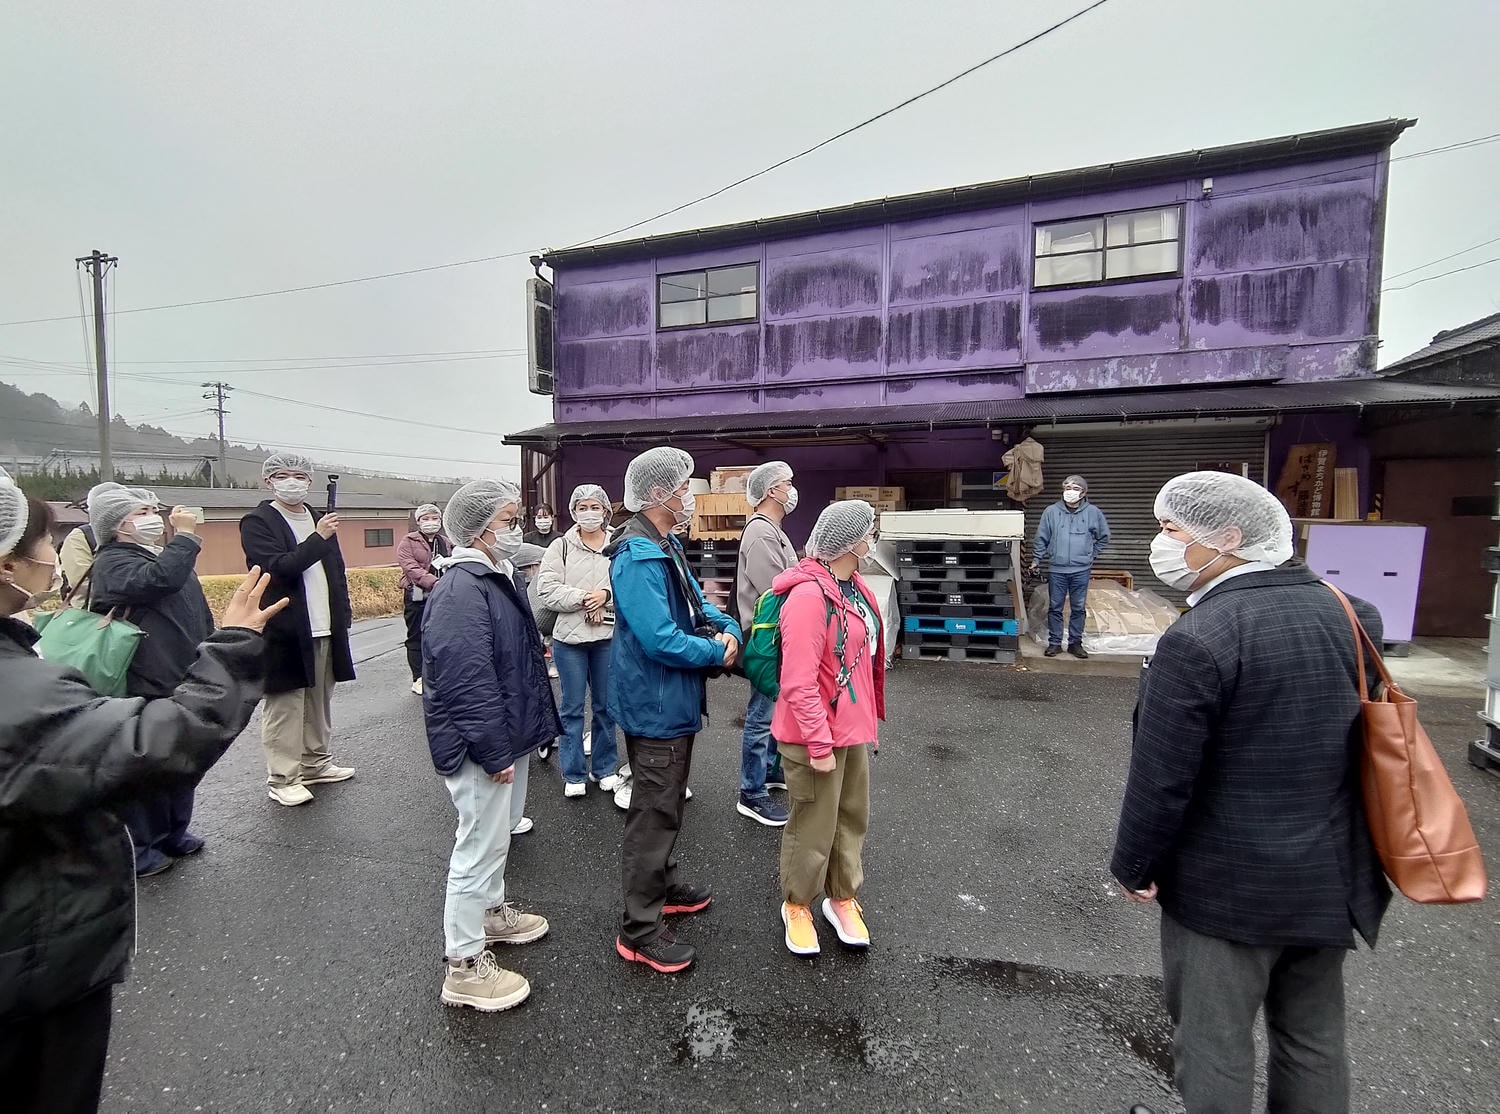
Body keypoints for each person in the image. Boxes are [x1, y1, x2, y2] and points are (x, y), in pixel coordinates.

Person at [0, 467, 287, 1114]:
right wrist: (235, 646)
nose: (53, 553)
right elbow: (163, 743)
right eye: (43, 541)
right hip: (33, 975)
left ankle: (167, 835)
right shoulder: (30, 686)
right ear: (6, 563)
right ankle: (149, 842)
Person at [1110, 471, 1390, 1114]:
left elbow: (1164, 775)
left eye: (1172, 530)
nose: (1161, 543)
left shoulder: (1201, 637)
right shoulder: (1353, 614)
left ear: (1228, 538)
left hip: (1227, 887)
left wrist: (1136, 865)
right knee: (1313, 1038)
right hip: (1333, 873)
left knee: (1213, 1042)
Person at [421, 480, 559, 1012]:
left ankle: (490, 913)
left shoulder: (493, 576)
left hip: (507, 733)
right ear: (479, 530)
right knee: (476, 846)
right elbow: (465, 678)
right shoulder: (461, 588)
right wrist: (494, 749)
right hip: (484, 742)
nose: (516, 528)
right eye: (507, 520)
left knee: (497, 836)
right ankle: (463, 964)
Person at [607, 447, 741, 973]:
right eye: (684, 488)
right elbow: (661, 637)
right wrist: (717, 651)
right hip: (655, 701)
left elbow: (694, 606)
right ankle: (639, 930)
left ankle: (663, 886)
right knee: (653, 813)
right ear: (659, 494)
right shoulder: (637, 555)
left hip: (670, 698)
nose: (690, 496)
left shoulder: (663, 545)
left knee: (668, 803)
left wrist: (725, 627)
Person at [769, 500, 886, 956]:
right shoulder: (807, 597)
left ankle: (842, 897)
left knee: (851, 819)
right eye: (868, 532)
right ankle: (797, 904)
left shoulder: (853, 588)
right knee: (813, 825)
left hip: (852, 730)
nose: (872, 539)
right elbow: (798, 683)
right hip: (813, 734)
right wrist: (819, 742)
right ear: (851, 542)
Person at [87, 486, 215, 877]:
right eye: (143, 511)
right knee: (147, 766)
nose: (154, 517)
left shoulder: (154, 556)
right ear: (118, 523)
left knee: (181, 761)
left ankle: (174, 832)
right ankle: (141, 846)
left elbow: (189, 600)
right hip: (147, 675)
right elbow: (160, 580)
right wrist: (187, 536)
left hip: (180, 669)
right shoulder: (113, 561)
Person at [239, 451, 357, 807]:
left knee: (320, 700)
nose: (293, 481)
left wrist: (343, 614)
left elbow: (335, 570)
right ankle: (283, 776)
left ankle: (315, 762)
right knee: (286, 703)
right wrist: (318, 538)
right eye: (283, 475)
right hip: (286, 627)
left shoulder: (317, 518)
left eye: (300, 476)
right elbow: (278, 567)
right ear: (268, 481)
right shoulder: (258, 521)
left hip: (324, 625)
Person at [536, 483, 623, 800]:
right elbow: (546, 589)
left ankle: (605, 768)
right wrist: (588, 599)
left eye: (595, 507)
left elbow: (627, 582)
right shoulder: (560, 546)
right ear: (573, 512)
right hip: (569, 640)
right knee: (571, 708)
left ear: (605, 510)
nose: (589, 513)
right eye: (582, 508)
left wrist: (606, 597)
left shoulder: (618, 543)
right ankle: (573, 773)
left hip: (606, 637)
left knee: (605, 707)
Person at [734, 460, 800, 827]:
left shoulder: (773, 530)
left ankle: (770, 772)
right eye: (788, 484)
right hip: (768, 638)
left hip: (779, 635)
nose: (792, 490)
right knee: (761, 716)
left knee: (775, 708)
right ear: (771, 490)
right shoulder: (760, 532)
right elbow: (775, 588)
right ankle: (751, 792)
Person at [1030, 474, 1109, 659]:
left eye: (1075, 489)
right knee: (1055, 607)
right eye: (1067, 488)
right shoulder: (1051, 511)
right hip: (1057, 569)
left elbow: (1104, 537)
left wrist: (1091, 553)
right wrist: (1036, 559)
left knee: (1078, 608)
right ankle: (1055, 643)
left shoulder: (1093, 513)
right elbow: (1042, 537)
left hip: (1081, 569)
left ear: (1083, 492)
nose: (1070, 492)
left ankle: (1075, 643)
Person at [506, 541, 549, 836]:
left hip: (518, 674)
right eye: (505, 520)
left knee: (519, 756)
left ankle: (510, 818)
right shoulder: (465, 582)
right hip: (502, 681)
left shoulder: (507, 572)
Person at [396, 502, 451, 695]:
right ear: (418, 522)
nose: (430, 522)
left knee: (442, 633)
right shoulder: (408, 541)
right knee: (416, 634)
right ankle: (418, 677)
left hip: (442, 592)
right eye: (425, 519)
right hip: (418, 592)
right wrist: (432, 581)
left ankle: (439, 674)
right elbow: (409, 567)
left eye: (434, 518)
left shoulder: (445, 541)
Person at [58, 480, 125, 602]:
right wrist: (127, 590)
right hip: (92, 612)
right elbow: (80, 581)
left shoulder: (131, 533)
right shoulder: (81, 536)